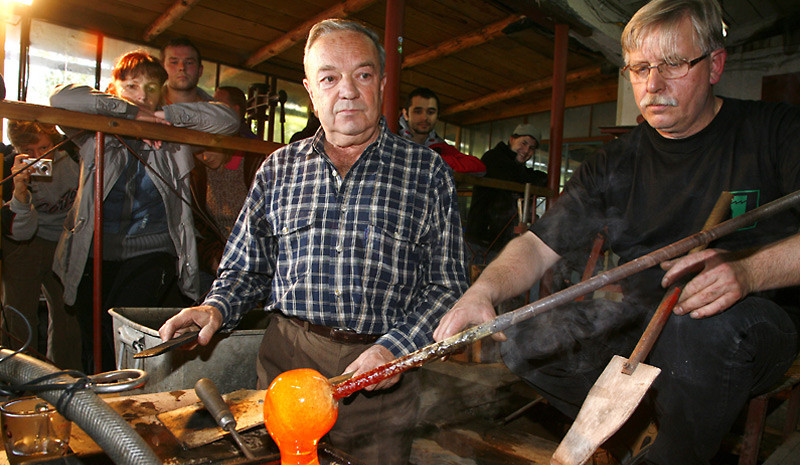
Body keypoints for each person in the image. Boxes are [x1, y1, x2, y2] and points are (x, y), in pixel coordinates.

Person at [434, 0, 800, 464]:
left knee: (699, 331)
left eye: (673, 64)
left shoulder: (776, 130)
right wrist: (480, 292)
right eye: (640, 68)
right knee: (525, 338)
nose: (654, 84)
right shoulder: (615, 161)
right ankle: (641, 430)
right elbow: (537, 244)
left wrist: (748, 272)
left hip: (752, 324)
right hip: (644, 318)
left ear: (715, 66)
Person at [158, 19, 468, 464]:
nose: (347, 90)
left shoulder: (427, 173)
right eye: (329, 78)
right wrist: (215, 307)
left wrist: (394, 350)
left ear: (382, 82)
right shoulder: (277, 169)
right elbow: (247, 267)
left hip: (377, 379)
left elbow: (447, 286)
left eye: (362, 75)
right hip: (288, 365)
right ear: (310, 89)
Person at [49, 50, 239, 372]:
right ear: (115, 87)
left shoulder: (172, 136)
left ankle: (121, 403)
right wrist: (128, 115)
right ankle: (97, 408)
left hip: (153, 250)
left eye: (151, 88)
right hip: (94, 250)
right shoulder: (96, 130)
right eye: (132, 86)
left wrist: (165, 118)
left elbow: (228, 120)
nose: (142, 96)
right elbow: (60, 99)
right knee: (92, 339)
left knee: (121, 333)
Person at [1, 121, 81, 370]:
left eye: (44, 148)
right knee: (19, 313)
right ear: (17, 148)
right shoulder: (9, 169)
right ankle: (18, 377)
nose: (38, 157)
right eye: (29, 150)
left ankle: (63, 377)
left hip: (66, 239)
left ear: (54, 140)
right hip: (24, 242)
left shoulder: (73, 155)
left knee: (67, 312)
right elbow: (20, 231)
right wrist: (20, 191)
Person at [192, 86, 264, 290]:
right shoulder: (197, 174)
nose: (204, 156)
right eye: (198, 151)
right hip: (216, 263)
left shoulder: (253, 163)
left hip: (254, 260)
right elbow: (198, 226)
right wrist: (212, 258)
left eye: (209, 146)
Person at [465, 123, 547, 255]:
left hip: (501, 241)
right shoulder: (493, 158)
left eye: (531, 148)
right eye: (523, 143)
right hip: (480, 241)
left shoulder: (517, 167)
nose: (526, 151)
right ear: (512, 139)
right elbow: (517, 176)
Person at [398, 87, 486, 175]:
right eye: (418, 111)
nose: (424, 118)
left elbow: (479, 168)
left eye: (431, 112)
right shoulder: (390, 136)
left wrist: (431, 160)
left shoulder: (439, 145)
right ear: (406, 114)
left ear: (437, 116)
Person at [161, 37, 211, 104]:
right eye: (174, 62)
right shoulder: (148, 106)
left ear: (200, 70)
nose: (182, 67)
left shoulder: (218, 112)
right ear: (162, 68)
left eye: (189, 63)